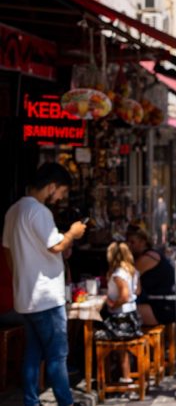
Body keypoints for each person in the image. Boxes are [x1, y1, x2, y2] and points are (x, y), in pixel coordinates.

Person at [2, 163, 86, 406]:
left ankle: (31, 401)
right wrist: (73, 232)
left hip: (26, 297)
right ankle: (65, 402)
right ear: (51, 186)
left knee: (33, 352)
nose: (61, 197)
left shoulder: (13, 210)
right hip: (46, 297)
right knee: (57, 355)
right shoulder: (39, 212)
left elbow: (8, 252)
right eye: (61, 192)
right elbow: (56, 245)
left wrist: (22, 276)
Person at [99, 241, 141, 382]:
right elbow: (137, 291)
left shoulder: (118, 274)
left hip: (121, 319)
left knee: (96, 333)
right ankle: (122, 374)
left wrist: (111, 303)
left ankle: (119, 377)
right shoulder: (132, 271)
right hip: (133, 316)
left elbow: (124, 295)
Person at [126, 227, 176, 326]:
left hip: (163, 307)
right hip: (164, 304)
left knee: (121, 313)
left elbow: (127, 277)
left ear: (143, 242)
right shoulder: (152, 254)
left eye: (132, 242)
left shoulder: (147, 258)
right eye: (127, 242)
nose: (128, 246)